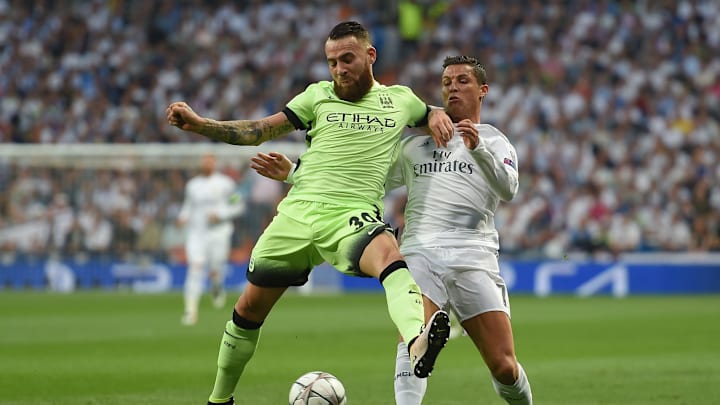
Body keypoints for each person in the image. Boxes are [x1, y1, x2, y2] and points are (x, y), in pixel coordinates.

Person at [166, 21, 454, 405]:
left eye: (347, 59)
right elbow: (258, 130)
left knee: (390, 258)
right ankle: (220, 399)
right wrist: (203, 126)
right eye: (332, 62)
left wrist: (434, 111)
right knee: (248, 309)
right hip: (297, 213)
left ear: (371, 56)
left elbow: (427, 111)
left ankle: (418, 339)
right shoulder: (316, 96)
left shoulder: (401, 100)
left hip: (351, 215)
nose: (339, 69)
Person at [250, 56, 533, 404]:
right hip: (419, 252)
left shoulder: (495, 140)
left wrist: (479, 150)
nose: (453, 88)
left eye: (462, 81)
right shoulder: (415, 146)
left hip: (473, 256)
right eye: (447, 82)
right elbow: (362, 182)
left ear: (483, 90)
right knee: (414, 342)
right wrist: (295, 172)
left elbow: (508, 190)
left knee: (504, 366)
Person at [177, 153, 245, 326]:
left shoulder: (226, 184)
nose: (206, 163)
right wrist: (182, 217)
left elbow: (238, 204)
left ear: (215, 163)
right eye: (204, 160)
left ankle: (217, 287)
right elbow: (188, 205)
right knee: (196, 268)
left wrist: (221, 214)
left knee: (215, 269)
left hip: (219, 233)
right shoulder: (192, 185)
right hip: (196, 234)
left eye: (209, 160)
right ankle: (190, 311)